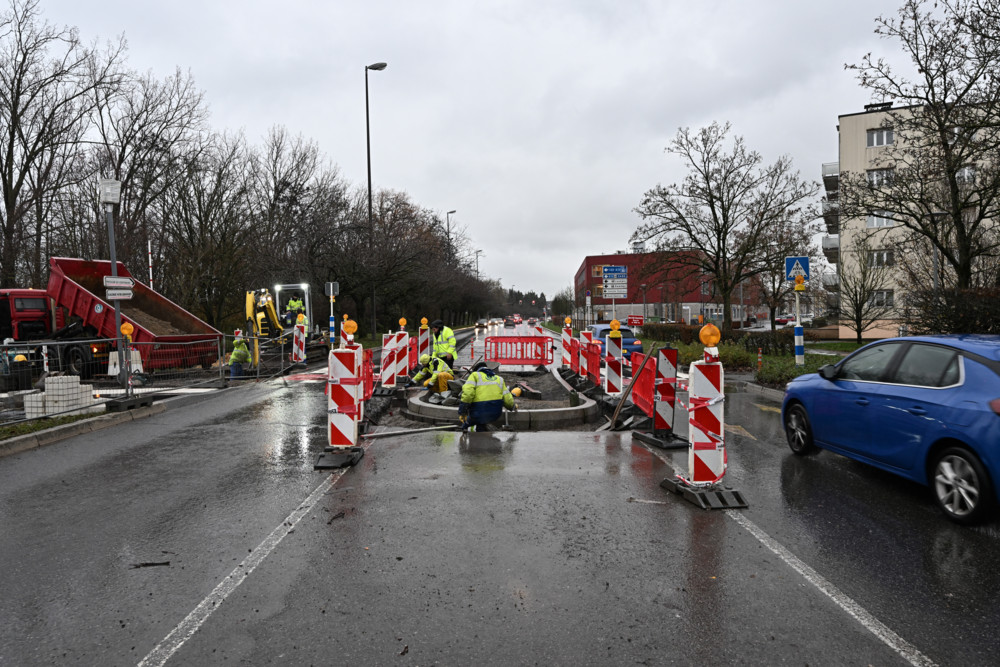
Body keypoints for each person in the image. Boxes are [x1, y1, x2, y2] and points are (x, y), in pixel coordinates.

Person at [458, 361, 516, 432]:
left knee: (471, 420)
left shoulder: (474, 375)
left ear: (477, 370)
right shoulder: (499, 379)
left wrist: (462, 412)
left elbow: (468, 394)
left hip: (479, 412)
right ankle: (482, 434)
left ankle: (465, 428)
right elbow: (507, 397)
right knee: (480, 423)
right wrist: (513, 406)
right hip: (495, 413)